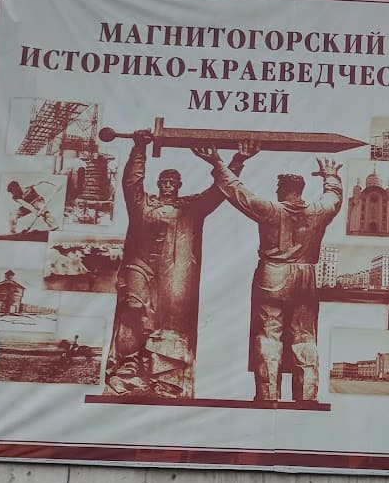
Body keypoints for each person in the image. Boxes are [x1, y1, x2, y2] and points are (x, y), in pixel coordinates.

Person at [195, 142, 343, 403]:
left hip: (272, 275)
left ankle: (267, 394)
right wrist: (330, 176)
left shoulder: (270, 210)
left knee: (268, 334)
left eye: (278, 188)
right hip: (306, 277)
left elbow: (236, 191)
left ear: (283, 190)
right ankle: (307, 397)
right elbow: (334, 198)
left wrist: (218, 162)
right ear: (300, 190)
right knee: (305, 336)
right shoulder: (318, 212)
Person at [107, 129, 247, 398]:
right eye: (164, 180)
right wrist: (139, 150)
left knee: (172, 323)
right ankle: (129, 364)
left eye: (173, 181)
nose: (168, 184)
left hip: (175, 271)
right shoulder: (143, 204)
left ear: (179, 184)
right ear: (158, 183)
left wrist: (238, 161)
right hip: (140, 266)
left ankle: (166, 374)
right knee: (133, 308)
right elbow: (131, 183)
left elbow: (219, 192)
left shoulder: (192, 207)